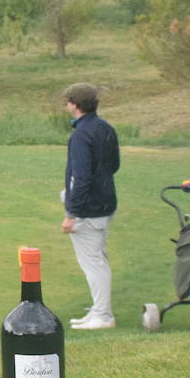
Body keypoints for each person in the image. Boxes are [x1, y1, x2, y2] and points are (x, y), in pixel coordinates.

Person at [60, 83, 120, 330]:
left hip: (89, 210)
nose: (66, 105)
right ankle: (98, 310)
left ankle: (103, 316)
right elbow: (114, 166)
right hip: (104, 202)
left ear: (75, 104)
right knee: (97, 259)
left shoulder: (81, 135)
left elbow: (81, 177)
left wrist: (71, 214)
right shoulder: (105, 128)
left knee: (93, 263)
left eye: (68, 101)